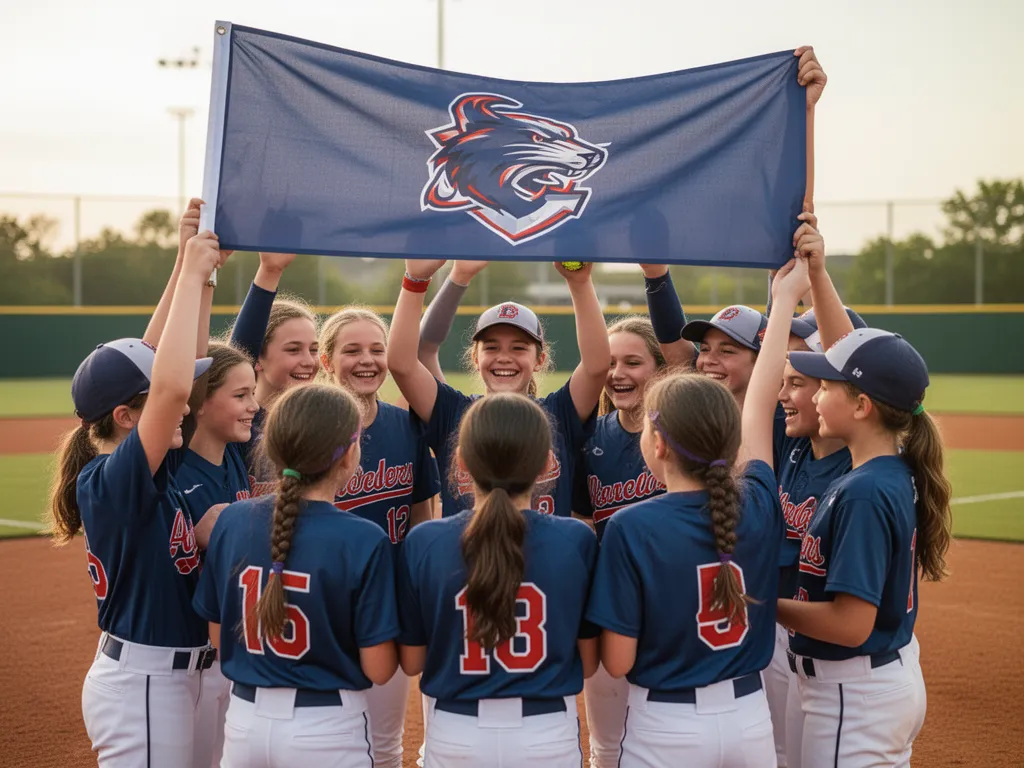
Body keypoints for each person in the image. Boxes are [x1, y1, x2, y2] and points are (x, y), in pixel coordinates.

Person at [585, 254, 812, 767]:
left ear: (659, 444)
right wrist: (787, 298)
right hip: (749, 718)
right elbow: (758, 402)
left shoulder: (631, 526)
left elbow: (617, 661)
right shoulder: (758, 497)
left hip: (667, 725)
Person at [48, 228, 226, 766]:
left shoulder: (155, 463)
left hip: (184, 674)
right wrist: (193, 273)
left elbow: (173, 368)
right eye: (154, 405)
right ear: (127, 418)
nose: (181, 408)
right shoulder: (108, 482)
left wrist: (192, 270)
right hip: (144, 685)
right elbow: (169, 387)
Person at [193, 383, 401, 768]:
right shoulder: (363, 538)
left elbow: (220, 638)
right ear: (348, 454)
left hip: (244, 724)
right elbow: (380, 669)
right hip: (325, 728)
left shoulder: (233, 521)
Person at [779, 326, 951, 768]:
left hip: (851, 697)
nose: (816, 396)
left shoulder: (865, 491)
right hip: (866, 686)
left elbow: (851, 624)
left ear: (862, 406)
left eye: (827, 387)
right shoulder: (888, 473)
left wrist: (758, 603)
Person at [397, 393, 599, 767]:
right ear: (544, 465)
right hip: (546, 734)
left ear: (460, 462)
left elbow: (412, 662)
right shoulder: (577, 539)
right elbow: (587, 663)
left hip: (457, 734)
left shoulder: (425, 542)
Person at [763, 215, 868, 768]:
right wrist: (781, 295)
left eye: (804, 383)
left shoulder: (859, 452)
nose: (784, 394)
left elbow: (847, 356)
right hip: (792, 635)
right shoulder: (792, 445)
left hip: (831, 641)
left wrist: (819, 274)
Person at [388, 259, 608, 518]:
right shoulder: (453, 412)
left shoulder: (558, 414)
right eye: (491, 347)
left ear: (539, 360)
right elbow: (402, 364)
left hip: (546, 555)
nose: (504, 357)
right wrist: (415, 281)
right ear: (475, 358)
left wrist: (579, 283)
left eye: (518, 348)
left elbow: (596, 366)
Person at [318, 306, 441, 768]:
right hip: (322, 603)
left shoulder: (405, 424)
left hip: (386, 606)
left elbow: (422, 515)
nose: (367, 360)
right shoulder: (307, 424)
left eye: (377, 349)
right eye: (352, 350)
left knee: (385, 746)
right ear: (327, 361)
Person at [174, 340, 258, 768]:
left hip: (233, 652)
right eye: (241, 395)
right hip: (190, 661)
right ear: (199, 403)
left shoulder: (235, 456)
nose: (254, 406)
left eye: (254, 393)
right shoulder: (173, 470)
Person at [228, 251, 318, 494]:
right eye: (293, 349)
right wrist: (270, 272)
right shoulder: (236, 422)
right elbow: (240, 352)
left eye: (314, 349)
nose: (309, 361)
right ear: (258, 359)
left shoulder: (323, 420)